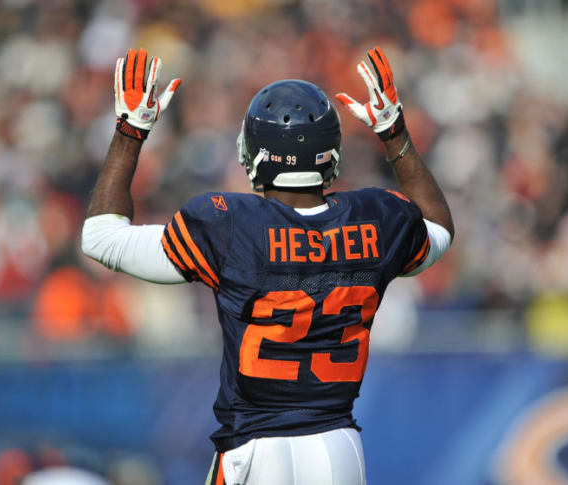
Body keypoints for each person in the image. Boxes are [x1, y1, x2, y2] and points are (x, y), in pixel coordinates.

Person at [82, 46, 453, 485]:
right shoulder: (377, 218)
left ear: (256, 154)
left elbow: (100, 238)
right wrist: (395, 134)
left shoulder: (228, 223)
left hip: (254, 449)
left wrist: (130, 132)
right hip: (339, 450)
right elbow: (439, 228)